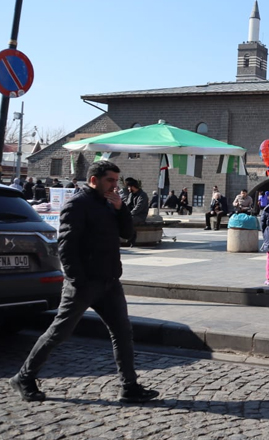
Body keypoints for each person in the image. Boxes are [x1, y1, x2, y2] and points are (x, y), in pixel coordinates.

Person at [8, 160, 158, 404]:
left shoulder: (110, 204)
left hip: (109, 281)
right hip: (85, 283)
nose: (114, 186)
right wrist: (78, 280)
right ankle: (23, 377)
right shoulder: (77, 205)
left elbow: (128, 234)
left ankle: (129, 386)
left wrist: (121, 209)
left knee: (122, 332)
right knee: (59, 332)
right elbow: (66, 247)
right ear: (93, 180)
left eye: (116, 181)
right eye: (110, 180)